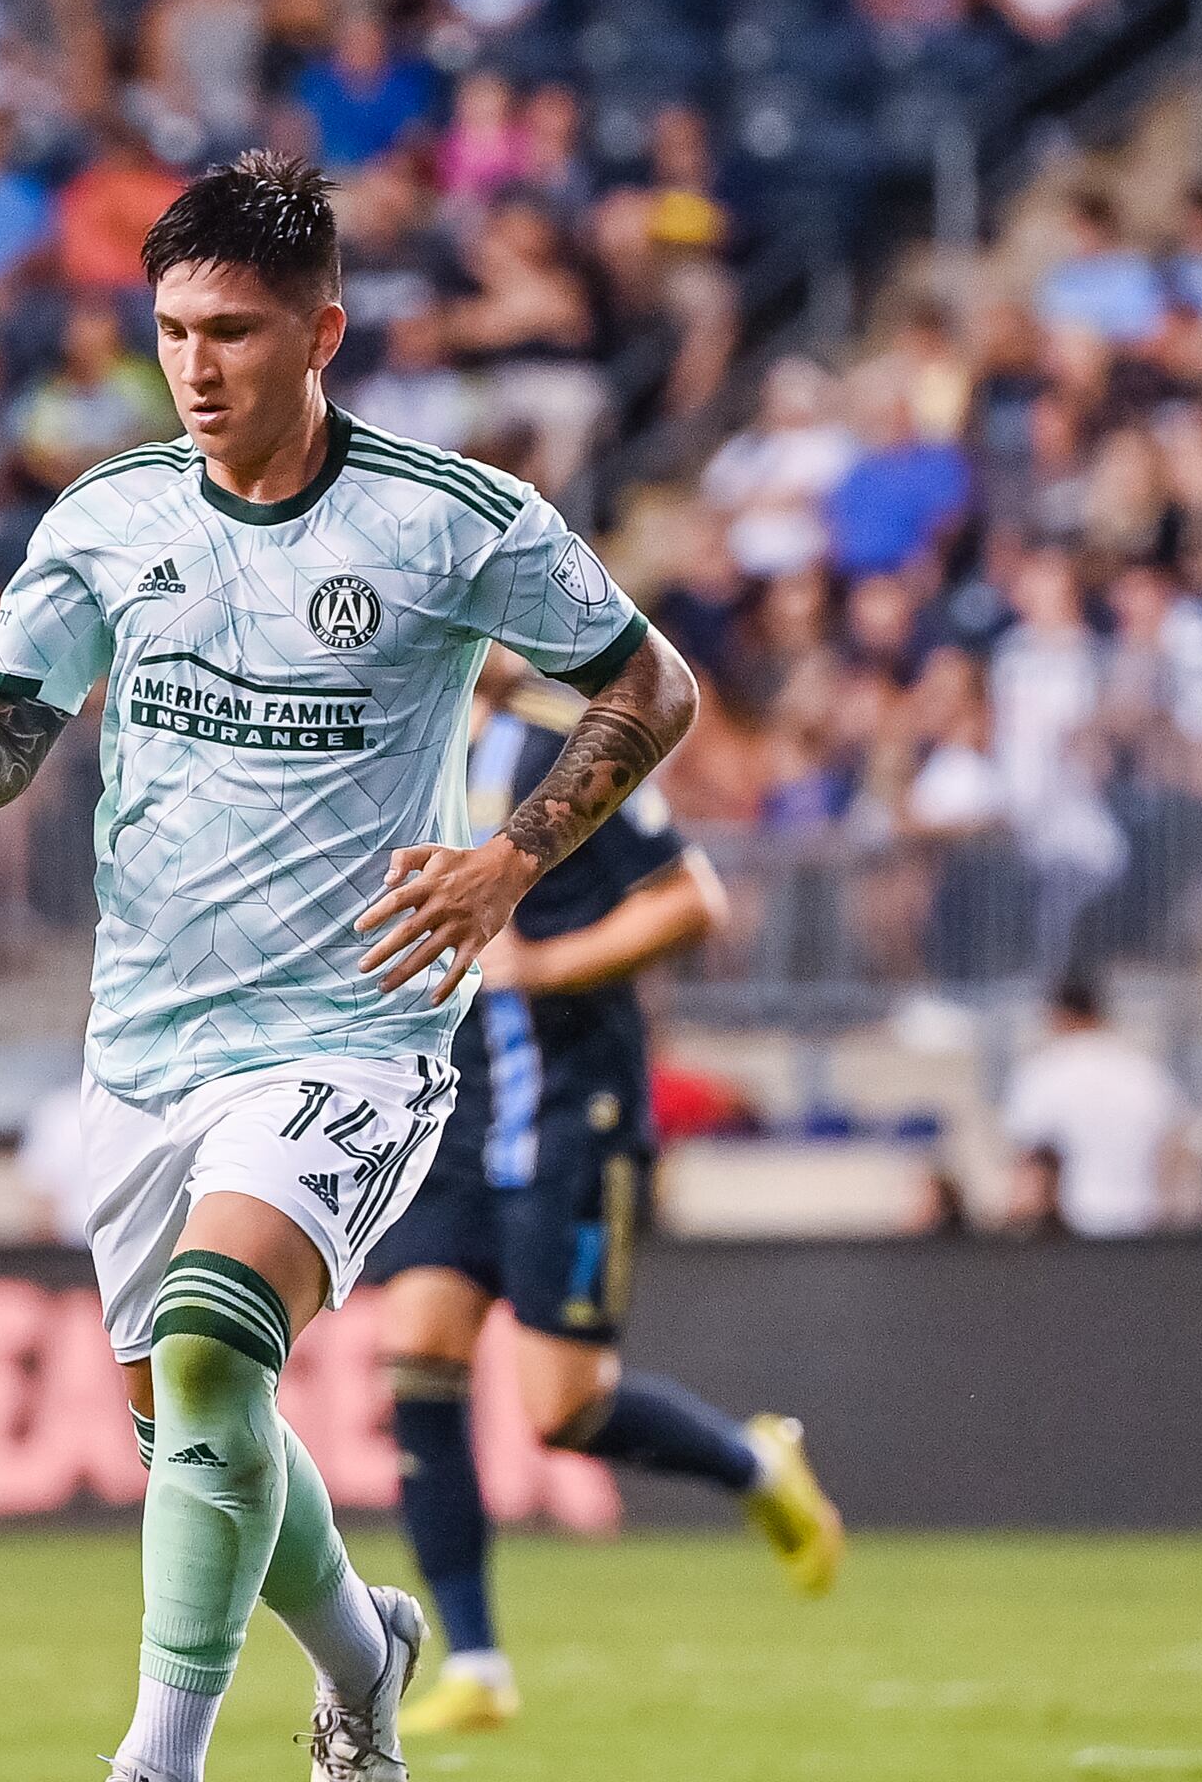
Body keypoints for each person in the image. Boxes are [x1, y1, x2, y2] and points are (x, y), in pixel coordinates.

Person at [0, 153, 693, 1782]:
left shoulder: (452, 524)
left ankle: (157, 1761)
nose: (197, 371)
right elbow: (0, 753)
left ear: (325, 333)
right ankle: (367, 1665)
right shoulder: (108, 520)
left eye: (233, 332)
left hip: (352, 1030)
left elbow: (656, 685)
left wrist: (515, 861)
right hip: (145, 1046)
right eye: (170, 332)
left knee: (220, 1345)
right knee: (197, 1433)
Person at [372, 656, 841, 1739]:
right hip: (452, 1110)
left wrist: (552, 963)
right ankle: (478, 1663)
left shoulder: (565, 739)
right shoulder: (398, 737)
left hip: (571, 1111)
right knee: (420, 1353)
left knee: (561, 1407)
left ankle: (751, 1462)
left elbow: (692, 901)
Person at [1000, 969, 1190, 1238]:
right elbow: (1174, 1151)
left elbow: (1028, 1161)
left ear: (1058, 1015)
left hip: (1071, 1226)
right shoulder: (1145, 1073)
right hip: (1142, 1222)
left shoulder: (1042, 1074)